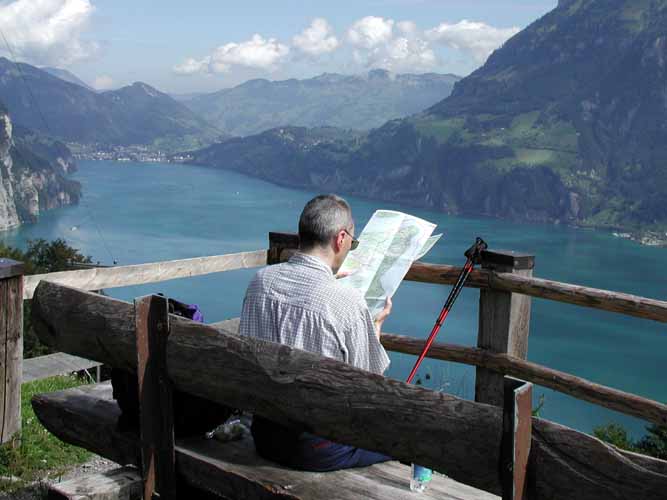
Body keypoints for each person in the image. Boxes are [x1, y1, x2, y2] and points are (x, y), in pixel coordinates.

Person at [239, 194, 393, 472]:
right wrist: (376, 328)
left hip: (265, 436)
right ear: (340, 239)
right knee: (407, 441)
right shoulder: (347, 301)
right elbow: (369, 386)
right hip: (319, 449)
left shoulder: (260, 282)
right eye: (352, 244)